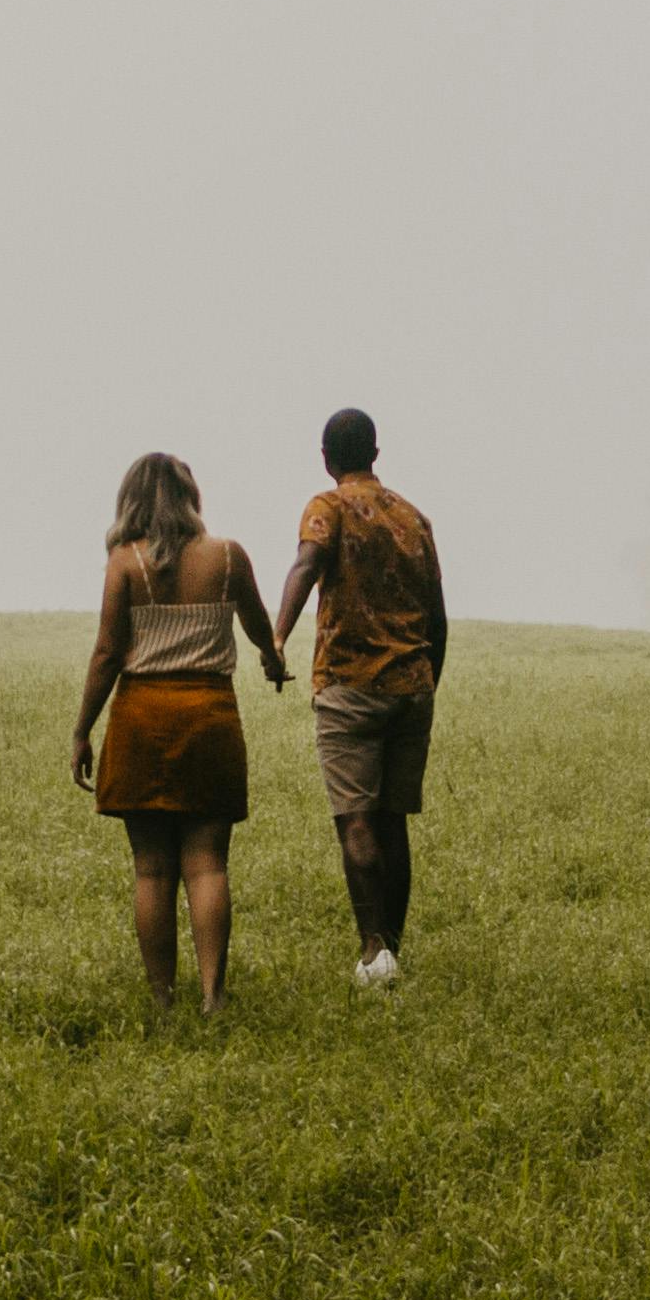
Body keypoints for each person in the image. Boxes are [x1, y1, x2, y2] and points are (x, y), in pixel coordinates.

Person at [71, 450, 289, 1012]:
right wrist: (270, 656)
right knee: (208, 862)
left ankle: (163, 1002)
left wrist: (81, 730)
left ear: (133, 501)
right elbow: (259, 622)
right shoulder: (228, 557)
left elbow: (106, 653)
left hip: (141, 719)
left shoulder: (125, 563)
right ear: (191, 497)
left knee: (152, 868)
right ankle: (214, 995)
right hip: (210, 718)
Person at [274, 407, 445, 987]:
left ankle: (373, 951)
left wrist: (277, 635)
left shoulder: (327, 508)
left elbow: (306, 564)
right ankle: (393, 949)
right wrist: (426, 684)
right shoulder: (414, 519)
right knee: (394, 822)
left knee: (357, 821)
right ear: (375, 453)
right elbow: (438, 618)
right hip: (412, 690)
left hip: (349, 689)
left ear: (328, 459)